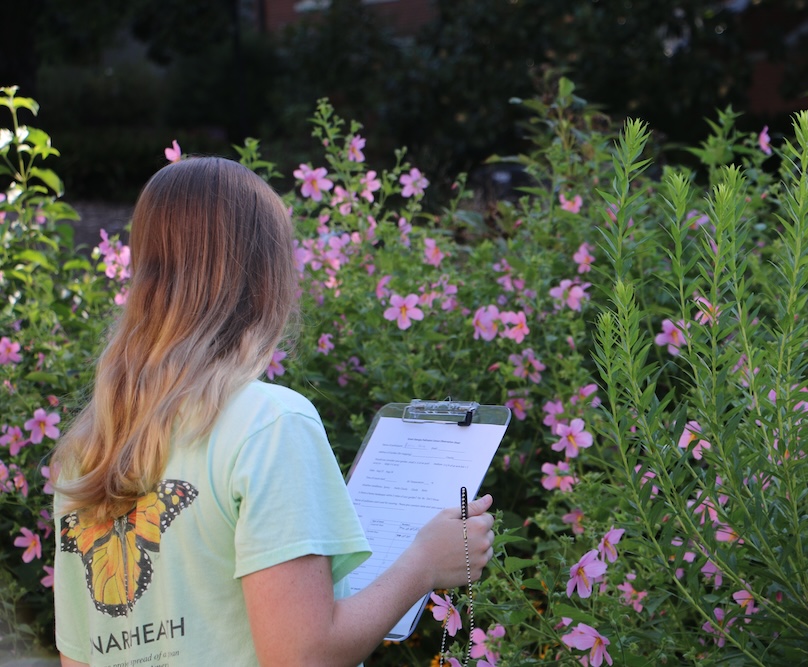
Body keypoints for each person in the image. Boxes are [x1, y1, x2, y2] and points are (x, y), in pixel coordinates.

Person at [51, 157, 495, 667]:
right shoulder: (271, 424)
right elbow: (303, 656)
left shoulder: (89, 449)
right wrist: (425, 563)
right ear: (267, 279)